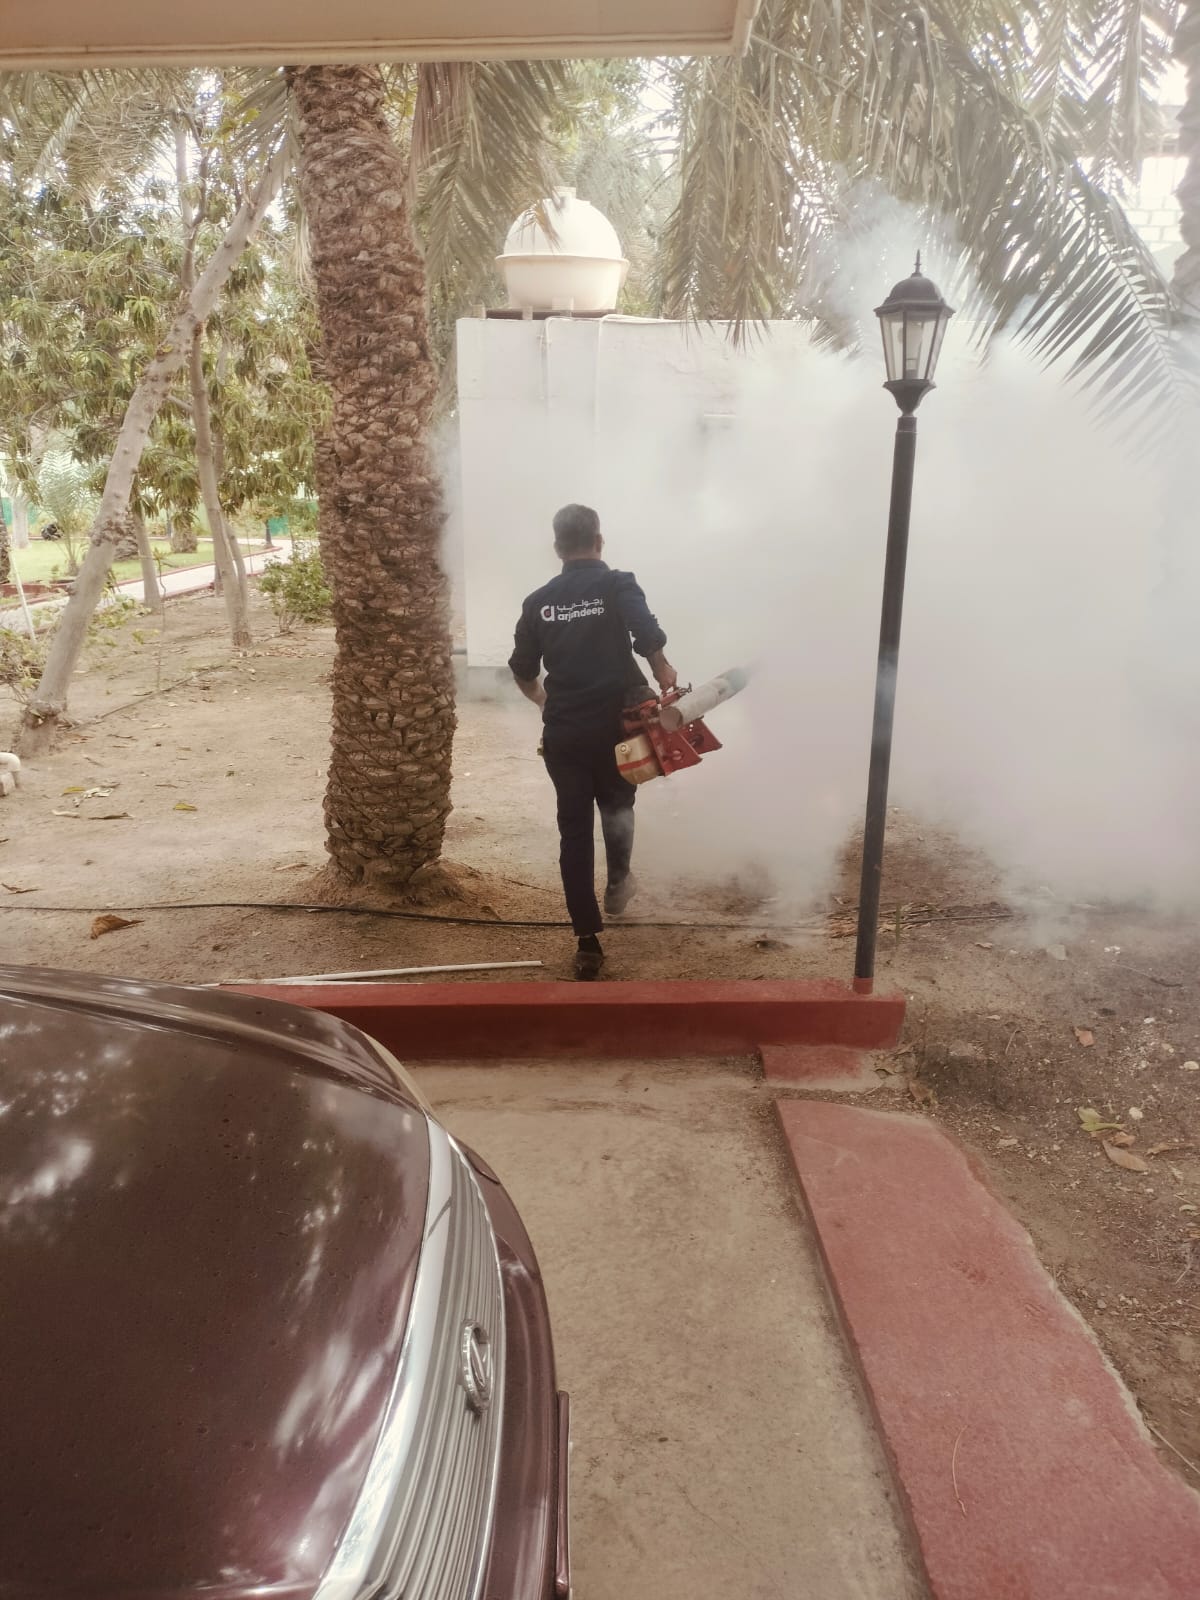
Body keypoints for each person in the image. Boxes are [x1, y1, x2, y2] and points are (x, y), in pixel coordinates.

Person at [509, 504, 677, 980]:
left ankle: (587, 942)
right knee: (618, 805)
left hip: (565, 734)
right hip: (617, 729)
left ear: (557, 548)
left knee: (574, 830)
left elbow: (522, 670)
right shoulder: (618, 584)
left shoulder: (538, 602)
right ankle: (619, 883)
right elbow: (647, 635)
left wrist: (545, 703)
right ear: (599, 542)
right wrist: (663, 671)